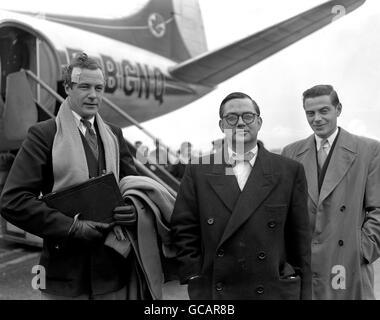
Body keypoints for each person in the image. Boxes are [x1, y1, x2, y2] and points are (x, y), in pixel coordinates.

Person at [0, 52, 137, 299]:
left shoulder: (114, 135)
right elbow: (13, 201)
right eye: (84, 86)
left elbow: (134, 188)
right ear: (67, 88)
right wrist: (72, 227)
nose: (93, 95)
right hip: (64, 276)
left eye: (99, 87)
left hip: (112, 274)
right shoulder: (44, 134)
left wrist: (133, 209)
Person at [171, 92, 311, 300]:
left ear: (259, 122)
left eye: (248, 116)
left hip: (273, 288)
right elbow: (184, 229)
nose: (240, 123)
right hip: (216, 290)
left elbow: (300, 239)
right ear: (221, 126)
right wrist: (194, 277)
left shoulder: (289, 171)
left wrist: (303, 290)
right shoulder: (198, 170)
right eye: (231, 118)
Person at [282, 84, 380, 300]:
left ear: (338, 109)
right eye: (310, 113)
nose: (317, 118)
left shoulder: (369, 150)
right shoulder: (291, 152)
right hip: (306, 265)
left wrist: (362, 250)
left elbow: (378, 209)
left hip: (348, 263)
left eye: (324, 111)